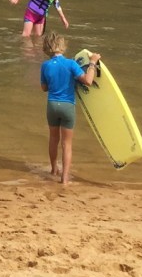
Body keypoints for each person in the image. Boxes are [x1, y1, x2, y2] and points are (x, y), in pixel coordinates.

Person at [40, 32, 100, 185]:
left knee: (53, 139)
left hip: (52, 105)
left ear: (46, 48)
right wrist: (92, 62)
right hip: (67, 106)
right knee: (67, 144)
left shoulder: (45, 66)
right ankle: (65, 179)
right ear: (62, 46)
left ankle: (54, 170)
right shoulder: (71, 64)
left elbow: (44, 88)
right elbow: (88, 80)